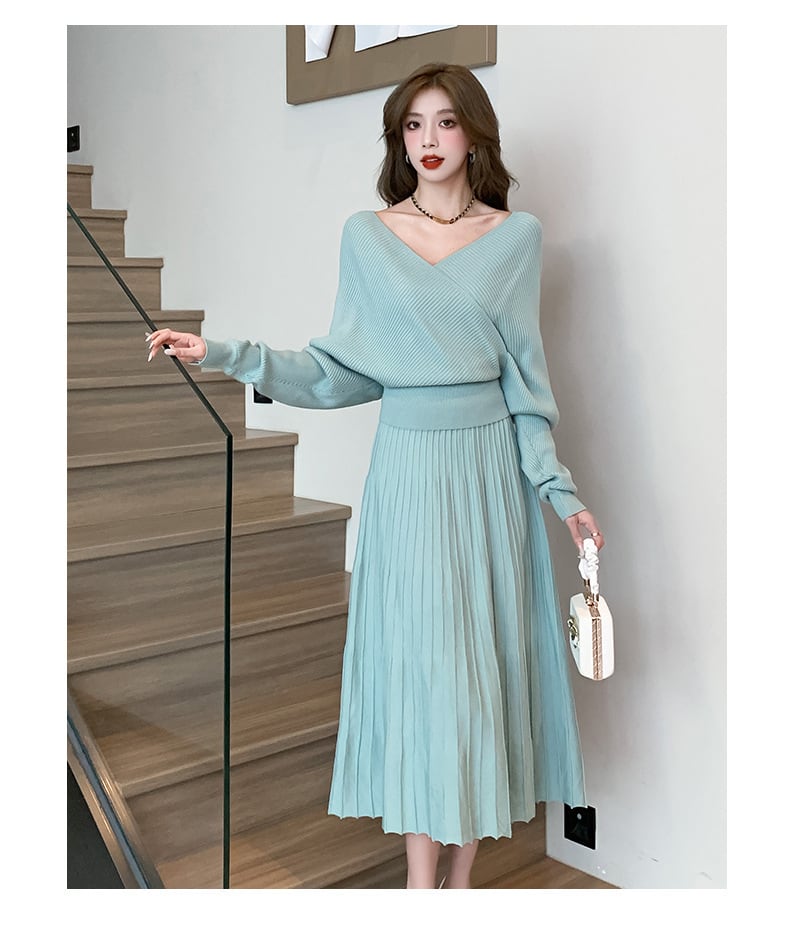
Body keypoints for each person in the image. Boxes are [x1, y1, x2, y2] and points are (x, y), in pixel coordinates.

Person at [146, 61, 604, 890]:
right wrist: (221, 353)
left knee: (482, 671)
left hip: (488, 476)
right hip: (408, 473)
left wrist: (559, 492)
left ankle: (459, 882)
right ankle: (420, 884)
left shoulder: (516, 239)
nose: (429, 140)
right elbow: (335, 371)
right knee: (421, 674)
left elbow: (526, 388)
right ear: (399, 139)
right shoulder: (367, 236)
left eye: (446, 122)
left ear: (475, 135)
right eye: (413, 125)